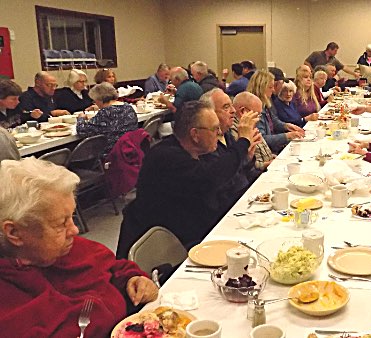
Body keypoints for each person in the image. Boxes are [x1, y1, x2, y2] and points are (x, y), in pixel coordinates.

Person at [0, 157, 158, 337]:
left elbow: (113, 266)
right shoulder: (9, 307)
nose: (74, 230)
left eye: (71, 217)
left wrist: (133, 279)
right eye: (61, 223)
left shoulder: (65, 248)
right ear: (14, 233)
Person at [117, 101, 260, 256]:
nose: (219, 133)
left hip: (190, 229)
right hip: (169, 245)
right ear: (195, 134)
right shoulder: (165, 156)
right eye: (214, 129)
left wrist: (245, 161)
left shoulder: (197, 151)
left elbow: (221, 183)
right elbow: (210, 179)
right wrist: (243, 141)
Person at [199, 89, 261, 211]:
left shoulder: (226, 134)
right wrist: (243, 140)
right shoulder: (207, 143)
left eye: (232, 105)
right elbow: (222, 181)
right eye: (226, 107)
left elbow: (241, 173)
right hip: (230, 207)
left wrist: (247, 159)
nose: (233, 111)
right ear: (210, 114)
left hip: (245, 197)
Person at [247, 69, 304, 153]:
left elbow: (274, 121)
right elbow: (262, 139)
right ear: (261, 87)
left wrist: (286, 126)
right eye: (270, 87)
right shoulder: (254, 108)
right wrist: (287, 136)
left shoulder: (266, 103)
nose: (273, 90)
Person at [76, 82, 138, 157]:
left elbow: (82, 130)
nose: (95, 103)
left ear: (100, 100)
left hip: (112, 156)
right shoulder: (128, 107)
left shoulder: (105, 113)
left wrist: (81, 118)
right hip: (130, 151)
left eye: (95, 101)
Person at [232, 91, 275, 172]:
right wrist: (266, 164)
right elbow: (243, 160)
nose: (258, 119)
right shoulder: (235, 129)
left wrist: (270, 156)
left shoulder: (250, 124)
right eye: (257, 114)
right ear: (243, 111)